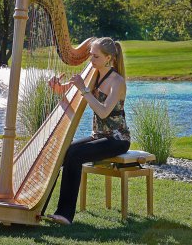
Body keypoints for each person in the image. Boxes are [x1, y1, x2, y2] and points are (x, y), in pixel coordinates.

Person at [47, 37, 131, 225]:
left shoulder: (116, 82)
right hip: (100, 137)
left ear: (109, 58)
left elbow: (103, 112)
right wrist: (56, 87)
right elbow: (65, 92)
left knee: (75, 154)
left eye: (95, 57)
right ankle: (43, 205)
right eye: (90, 56)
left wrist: (84, 90)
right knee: (65, 151)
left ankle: (65, 214)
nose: (91, 61)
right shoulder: (93, 75)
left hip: (117, 140)